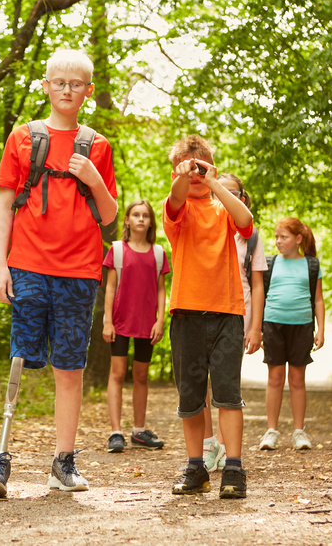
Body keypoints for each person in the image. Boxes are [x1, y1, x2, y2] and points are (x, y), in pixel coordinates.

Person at [0, 49, 118, 497]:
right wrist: (1, 266)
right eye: (59, 82)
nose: (67, 90)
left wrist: (94, 178)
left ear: (88, 91)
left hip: (80, 271)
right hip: (28, 265)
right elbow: (4, 205)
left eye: (76, 84)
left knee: (70, 367)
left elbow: (110, 216)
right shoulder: (23, 138)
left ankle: (64, 460)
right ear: (46, 86)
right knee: (21, 354)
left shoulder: (97, 145)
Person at [163, 135, 261, 499]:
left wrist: (214, 181)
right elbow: (174, 200)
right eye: (189, 167)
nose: (196, 174)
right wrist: (184, 177)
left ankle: (233, 468)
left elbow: (247, 221)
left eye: (201, 166)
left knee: (228, 395)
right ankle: (195, 467)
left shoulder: (223, 210)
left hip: (227, 313)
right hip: (187, 314)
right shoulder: (177, 208)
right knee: (190, 397)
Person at [200, 174, 267, 472]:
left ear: (242, 197)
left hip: (238, 315)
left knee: (226, 384)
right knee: (200, 384)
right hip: (203, 311)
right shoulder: (203, 227)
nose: (224, 196)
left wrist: (256, 328)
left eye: (232, 192)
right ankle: (207, 444)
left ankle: (225, 446)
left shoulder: (251, 236)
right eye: (218, 191)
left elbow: (258, 284)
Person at [102, 200, 170, 453]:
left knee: (141, 376)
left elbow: (162, 290)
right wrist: (107, 321)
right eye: (136, 215)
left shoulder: (158, 253)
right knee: (117, 374)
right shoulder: (117, 250)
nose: (141, 219)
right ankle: (116, 432)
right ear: (128, 220)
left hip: (146, 323)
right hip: (120, 322)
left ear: (151, 222)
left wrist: (160, 320)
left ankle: (139, 431)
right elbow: (110, 288)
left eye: (145, 215)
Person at [258, 217, 325, 453]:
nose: (278, 241)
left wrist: (321, 329)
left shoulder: (311, 265)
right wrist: (258, 329)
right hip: (273, 325)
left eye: (283, 237)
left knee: (297, 380)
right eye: (276, 237)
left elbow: (318, 299)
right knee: (275, 379)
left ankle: (299, 431)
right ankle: (271, 431)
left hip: (302, 326)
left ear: (298, 239)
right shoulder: (269, 263)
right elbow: (261, 297)